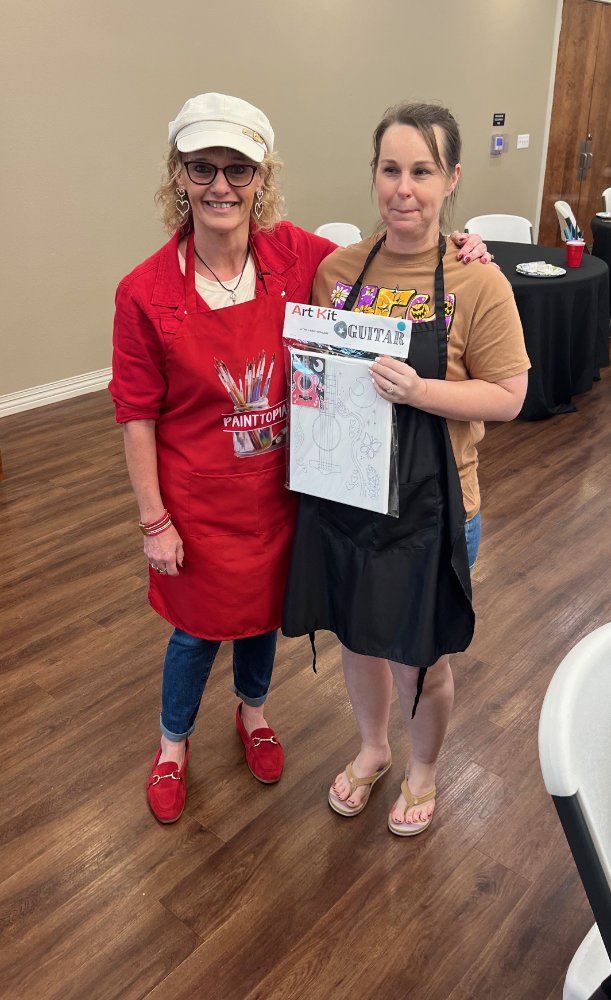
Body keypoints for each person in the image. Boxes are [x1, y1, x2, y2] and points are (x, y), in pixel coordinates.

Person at [109, 92, 492, 825]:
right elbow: (136, 415)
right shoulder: (145, 292)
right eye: (202, 168)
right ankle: (172, 743)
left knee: (261, 619)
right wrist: (153, 519)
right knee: (196, 630)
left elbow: (392, 254)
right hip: (195, 503)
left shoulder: (298, 257)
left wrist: (462, 243)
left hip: (282, 494)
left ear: (261, 177)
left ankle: (252, 714)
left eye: (237, 169)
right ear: (178, 177)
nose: (220, 186)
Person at [282, 102, 530, 836]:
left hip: (438, 508)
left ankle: (422, 769)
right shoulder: (335, 271)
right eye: (390, 169)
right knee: (359, 637)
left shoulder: (476, 280)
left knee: (418, 658)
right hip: (350, 497)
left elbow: (510, 395)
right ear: (373, 177)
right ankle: (371, 749)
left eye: (421, 171)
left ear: (450, 178)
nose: (404, 188)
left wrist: (421, 392)